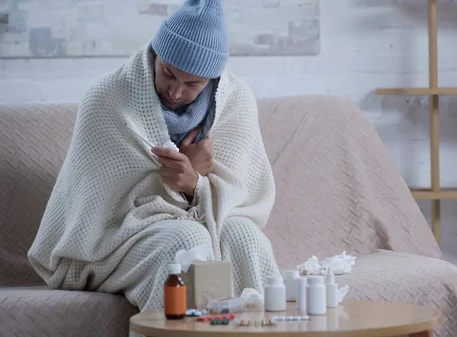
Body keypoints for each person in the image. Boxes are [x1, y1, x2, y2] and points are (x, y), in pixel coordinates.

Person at [27, 0, 279, 318]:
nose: (175, 92)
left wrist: (195, 184)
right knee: (187, 240)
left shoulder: (236, 101)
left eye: (192, 84)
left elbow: (248, 194)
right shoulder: (107, 97)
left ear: (212, 79)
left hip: (208, 216)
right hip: (119, 238)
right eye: (168, 74)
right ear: (154, 56)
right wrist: (181, 179)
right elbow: (94, 207)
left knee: (247, 239)